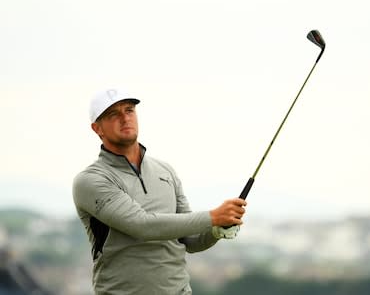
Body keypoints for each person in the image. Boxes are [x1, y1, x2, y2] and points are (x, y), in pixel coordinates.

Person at [72, 89, 247, 294]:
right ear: (97, 128)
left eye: (129, 110)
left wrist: (218, 229)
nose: (124, 118)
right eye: (113, 114)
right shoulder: (91, 180)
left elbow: (190, 240)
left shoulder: (165, 171)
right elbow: (142, 226)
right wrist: (213, 216)